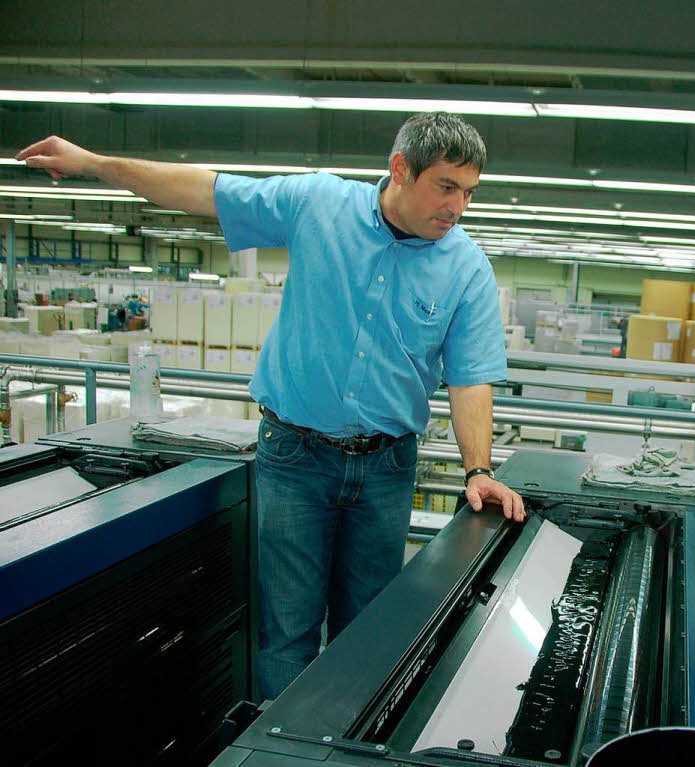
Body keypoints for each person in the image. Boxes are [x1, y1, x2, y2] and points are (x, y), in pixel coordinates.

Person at [16, 112, 527, 699]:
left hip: (387, 469)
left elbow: (471, 379)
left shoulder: (466, 269)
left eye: (468, 193)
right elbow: (201, 189)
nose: (458, 207)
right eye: (446, 186)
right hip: (294, 458)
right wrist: (93, 164)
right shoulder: (318, 204)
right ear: (400, 169)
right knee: (286, 630)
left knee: (371, 633)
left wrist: (479, 469)